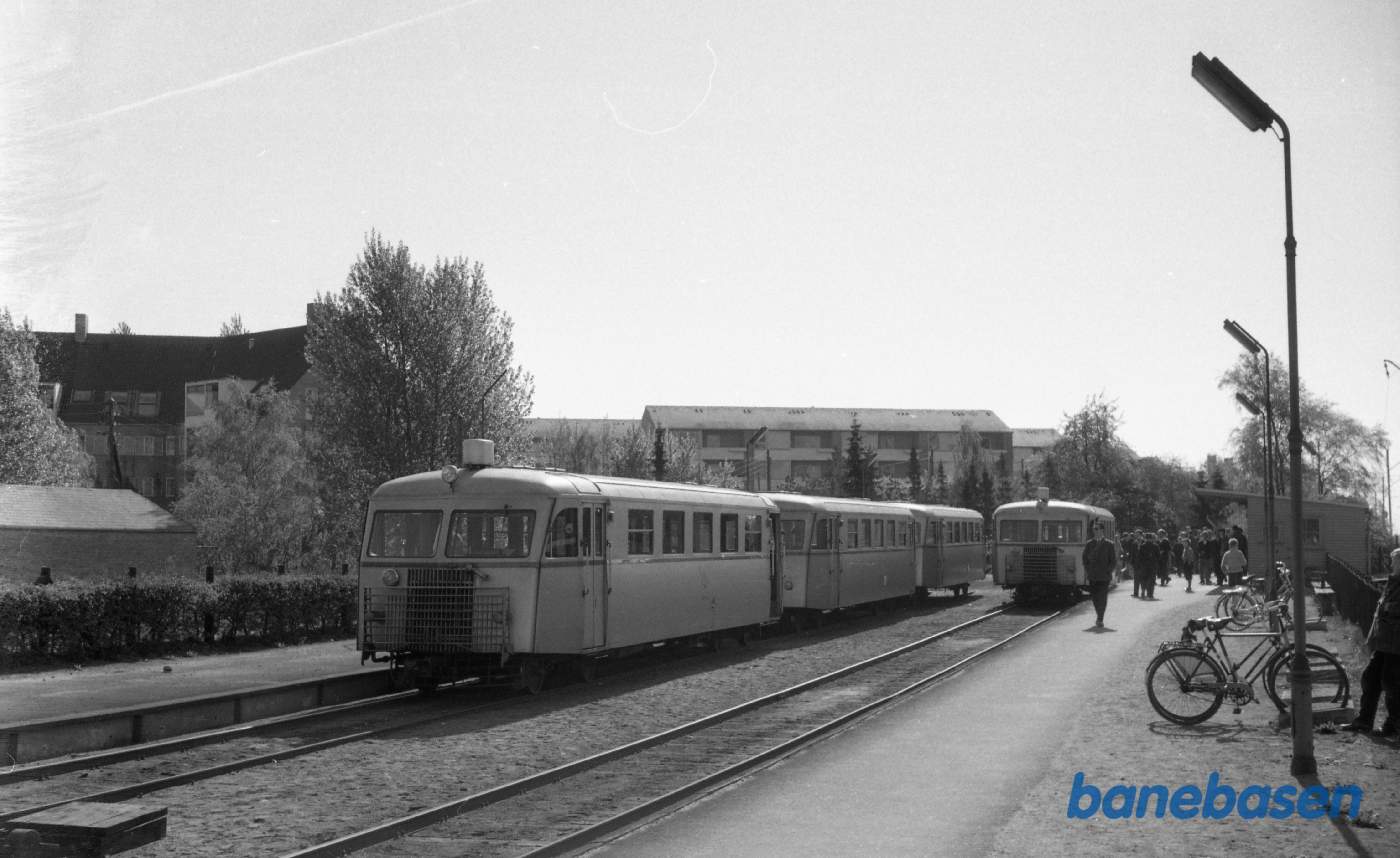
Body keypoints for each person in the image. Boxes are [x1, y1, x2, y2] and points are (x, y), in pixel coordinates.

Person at [1341, 547, 1400, 737]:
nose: (1392, 565)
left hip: (1396, 644)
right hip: (1385, 642)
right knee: (1370, 678)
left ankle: (1394, 725)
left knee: (1391, 683)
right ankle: (1364, 721)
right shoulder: (1393, 582)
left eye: (1395, 561)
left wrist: (1390, 611)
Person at [1082, 520, 1117, 629]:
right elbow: (1084, 559)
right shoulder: (1089, 544)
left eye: (1096, 529)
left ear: (1102, 530)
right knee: (1095, 597)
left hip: (1104, 576)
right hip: (1093, 575)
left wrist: (1108, 571)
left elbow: (1113, 561)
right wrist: (1088, 570)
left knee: (1102, 597)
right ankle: (1099, 615)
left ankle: (1100, 618)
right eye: (1093, 529)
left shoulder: (1109, 544)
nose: (1094, 531)